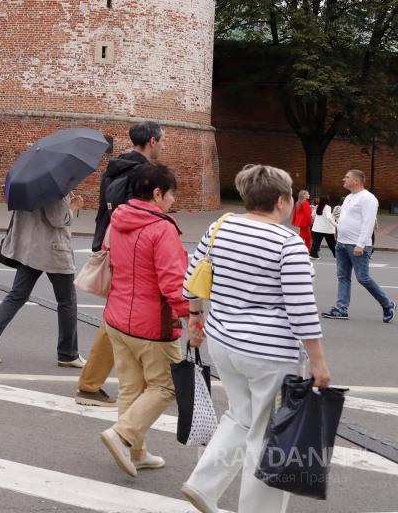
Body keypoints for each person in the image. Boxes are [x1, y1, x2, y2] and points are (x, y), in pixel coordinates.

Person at [180, 164, 329, 513]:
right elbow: (302, 309)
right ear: (281, 200)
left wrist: (195, 318)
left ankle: (204, 484)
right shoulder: (288, 243)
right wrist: (319, 362)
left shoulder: (220, 227)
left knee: (240, 416)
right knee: (270, 436)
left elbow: (192, 279)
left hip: (223, 341)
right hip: (269, 353)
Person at [97, 163, 188, 478]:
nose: (173, 202)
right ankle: (123, 434)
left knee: (131, 387)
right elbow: (173, 284)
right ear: (158, 192)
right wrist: (193, 316)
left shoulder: (118, 219)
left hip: (117, 318)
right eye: (172, 195)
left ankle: (135, 452)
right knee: (166, 386)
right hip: (152, 324)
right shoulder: (161, 228)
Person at [76, 121, 162, 408]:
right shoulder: (144, 173)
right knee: (125, 317)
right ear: (152, 140)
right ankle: (92, 384)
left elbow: (105, 210)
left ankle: (149, 382)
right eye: (161, 141)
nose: (162, 146)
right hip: (133, 252)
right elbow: (141, 215)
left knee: (121, 315)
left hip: (111, 245)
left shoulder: (114, 167)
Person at [0, 190, 84, 367]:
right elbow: (58, 219)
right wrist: (73, 207)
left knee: (17, 295)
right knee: (67, 301)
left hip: (30, 249)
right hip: (54, 249)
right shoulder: (55, 188)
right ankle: (68, 354)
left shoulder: (28, 184)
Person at [323, 169, 394, 322]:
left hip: (357, 245)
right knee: (343, 277)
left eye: (346, 177)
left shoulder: (368, 198)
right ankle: (341, 309)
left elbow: (368, 222)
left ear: (356, 180)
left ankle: (387, 304)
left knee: (363, 278)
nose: (343, 179)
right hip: (342, 243)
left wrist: (361, 244)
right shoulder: (349, 197)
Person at [310, 194, 336, 259]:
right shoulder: (328, 207)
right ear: (327, 200)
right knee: (332, 243)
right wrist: (336, 225)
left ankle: (313, 255)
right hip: (327, 229)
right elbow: (329, 217)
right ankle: (337, 256)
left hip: (317, 228)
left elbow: (312, 215)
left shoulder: (317, 207)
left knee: (316, 243)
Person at [290, 188, 313, 253]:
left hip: (301, 222)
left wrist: (296, 220)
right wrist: (310, 222)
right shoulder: (305, 203)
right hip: (305, 222)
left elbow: (295, 213)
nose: (309, 195)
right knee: (306, 236)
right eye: (307, 194)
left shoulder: (298, 203)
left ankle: (306, 249)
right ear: (304, 195)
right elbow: (308, 214)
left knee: (306, 236)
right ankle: (306, 249)